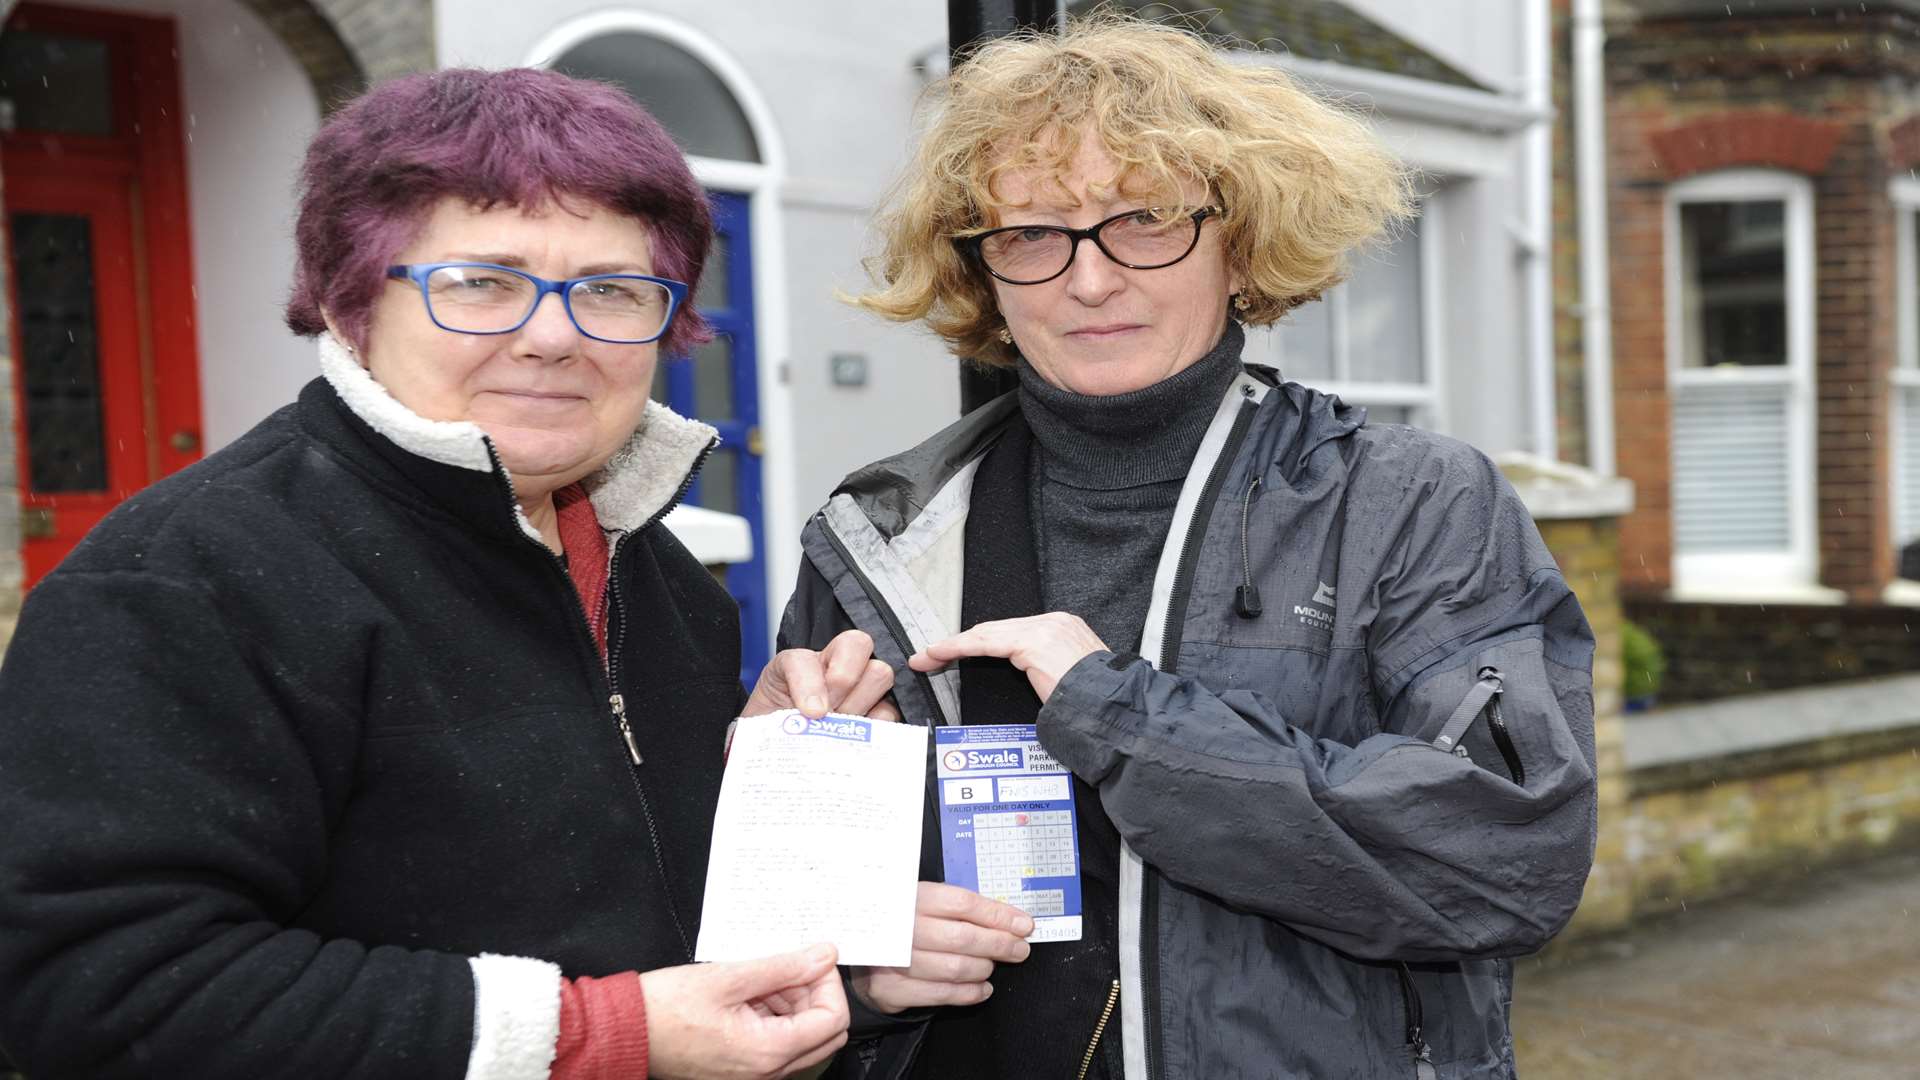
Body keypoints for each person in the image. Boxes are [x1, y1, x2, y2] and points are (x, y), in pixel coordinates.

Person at [0, 68, 892, 1080]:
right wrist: (603, 1037)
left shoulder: (664, 580)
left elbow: (603, 883)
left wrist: (762, 782)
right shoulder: (188, 579)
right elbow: (96, 992)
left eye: (610, 289)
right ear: (347, 305)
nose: (554, 336)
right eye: (482, 283)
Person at [780, 14, 1599, 1080]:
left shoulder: (1411, 505)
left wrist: (1119, 717)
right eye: (1032, 234)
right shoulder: (879, 534)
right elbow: (793, 938)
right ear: (981, 270)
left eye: (1147, 219)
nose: (1088, 279)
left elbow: (1506, 862)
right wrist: (858, 970)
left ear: (1240, 237)